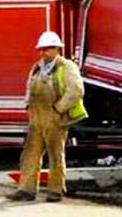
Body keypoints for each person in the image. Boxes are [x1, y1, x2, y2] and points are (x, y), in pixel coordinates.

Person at [6, 31, 88, 203]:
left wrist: (59, 108)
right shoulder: (37, 67)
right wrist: (27, 104)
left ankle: (55, 190)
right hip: (36, 117)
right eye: (41, 49)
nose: (43, 52)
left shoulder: (67, 67)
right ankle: (26, 190)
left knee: (55, 155)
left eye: (48, 48)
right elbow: (29, 87)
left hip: (55, 117)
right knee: (30, 155)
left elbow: (76, 90)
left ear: (57, 49)